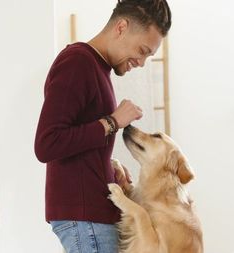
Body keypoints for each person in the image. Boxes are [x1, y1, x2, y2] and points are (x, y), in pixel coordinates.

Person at [34, 0, 171, 252]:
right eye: (142, 51)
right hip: (86, 218)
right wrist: (113, 121)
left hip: (92, 217)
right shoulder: (77, 62)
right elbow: (47, 143)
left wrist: (105, 164)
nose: (141, 62)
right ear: (121, 27)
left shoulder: (97, 67)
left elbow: (73, 139)